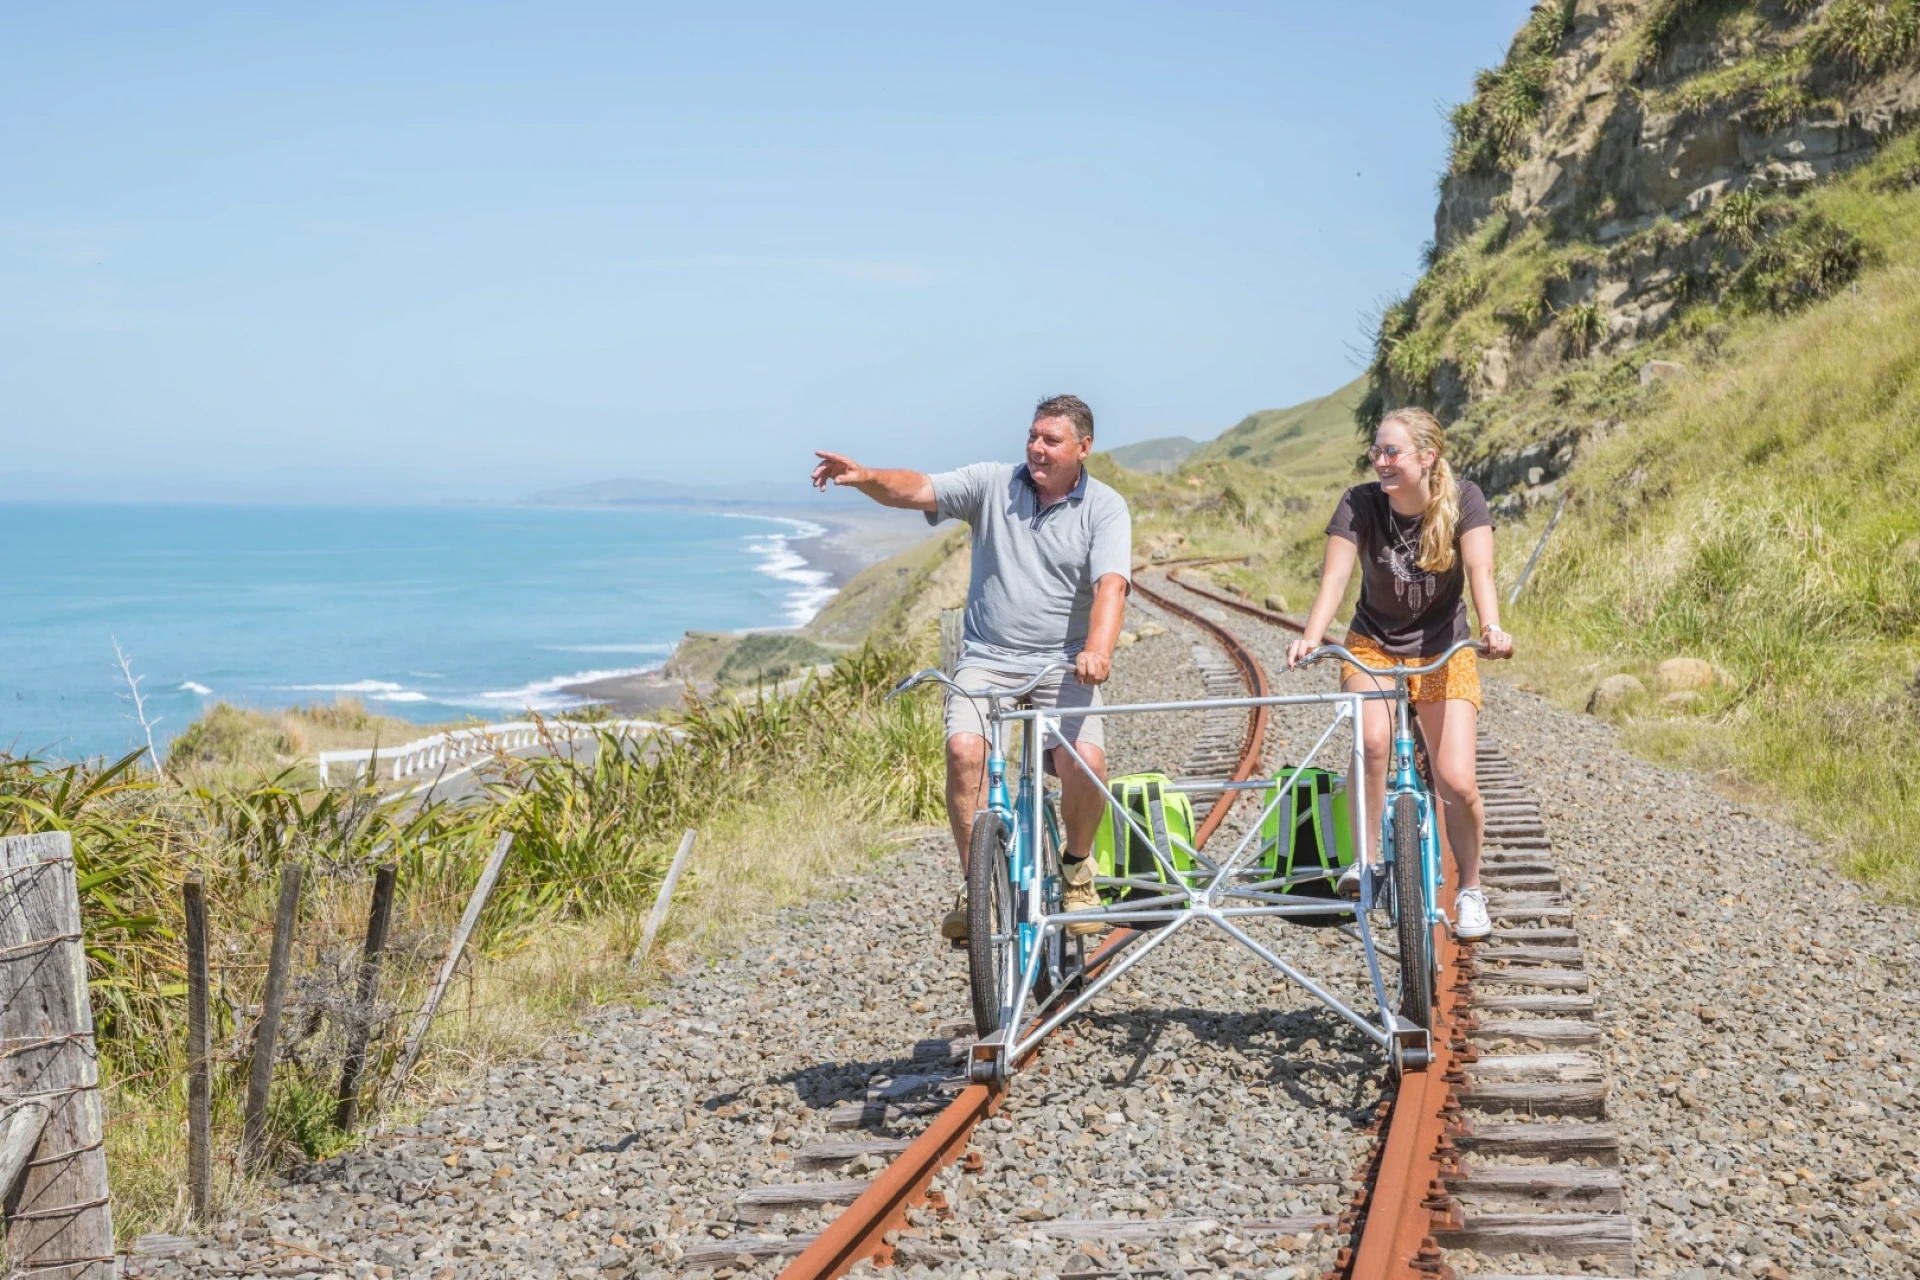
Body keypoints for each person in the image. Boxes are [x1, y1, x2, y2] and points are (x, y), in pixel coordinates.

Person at [811, 394, 1131, 941]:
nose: (1035, 447)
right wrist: (865, 477)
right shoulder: (992, 483)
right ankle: (976, 886)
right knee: (964, 751)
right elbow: (916, 488)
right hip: (987, 657)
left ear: (1084, 447)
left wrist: (1097, 650)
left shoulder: (1105, 507)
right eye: (1032, 435)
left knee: (1087, 763)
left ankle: (1078, 869)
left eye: (1050, 439)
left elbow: (1111, 586)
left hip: (1064, 664)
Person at [1284, 406, 1513, 940]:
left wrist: (1493, 627)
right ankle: (1365, 864)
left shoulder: (1465, 500)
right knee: (1372, 742)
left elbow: (1481, 570)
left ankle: (1471, 890)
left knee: (1456, 780)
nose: (1380, 462)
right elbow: (1335, 578)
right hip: (1374, 645)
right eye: (1376, 452)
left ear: (1426, 457)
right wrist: (1312, 636)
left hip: (1444, 646)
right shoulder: (1360, 503)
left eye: (1391, 452)